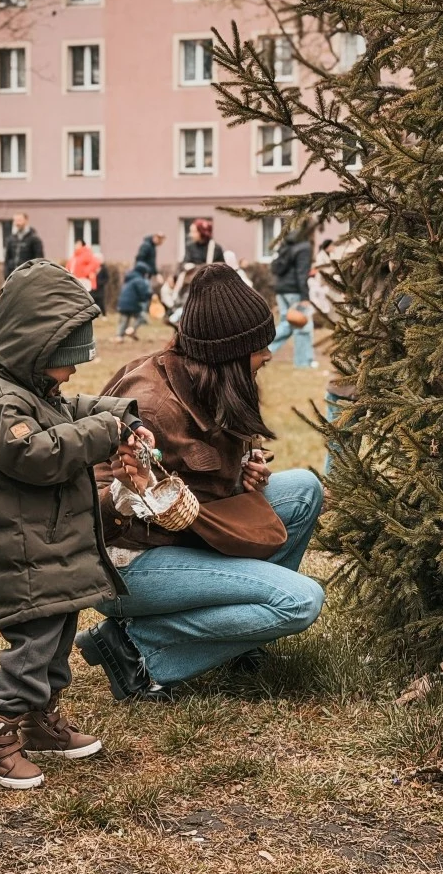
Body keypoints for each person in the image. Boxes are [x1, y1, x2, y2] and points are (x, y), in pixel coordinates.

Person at [75, 262, 325, 701]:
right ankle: (136, 649)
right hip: (126, 564)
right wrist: (132, 496)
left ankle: (237, 640)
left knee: (304, 489)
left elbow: (202, 478)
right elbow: (87, 506)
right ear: (229, 354)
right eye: (259, 348)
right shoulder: (151, 405)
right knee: (299, 601)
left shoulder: (208, 380)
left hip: (183, 537)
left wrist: (246, 469)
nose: (267, 355)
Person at [0, 259, 151, 790]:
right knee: (33, 648)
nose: (70, 375)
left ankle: (41, 720)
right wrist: (102, 432)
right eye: (63, 363)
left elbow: (74, 407)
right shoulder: (0, 404)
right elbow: (38, 452)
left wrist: (124, 417)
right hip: (24, 556)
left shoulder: (34, 391)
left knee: (59, 635)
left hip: (51, 551)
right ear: (33, 351)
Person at [269, 223, 317, 368]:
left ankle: (263, 350)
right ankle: (303, 362)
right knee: (302, 326)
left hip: (281, 290)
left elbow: (275, 268)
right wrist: (304, 297)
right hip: (295, 291)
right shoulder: (304, 247)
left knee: (287, 324)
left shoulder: (286, 245)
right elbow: (302, 274)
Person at [116, 261, 151, 343]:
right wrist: (146, 297)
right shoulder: (139, 280)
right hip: (132, 303)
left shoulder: (129, 278)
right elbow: (142, 293)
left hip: (122, 303)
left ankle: (119, 336)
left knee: (124, 320)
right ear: (143, 272)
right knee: (141, 317)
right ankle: (131, 330)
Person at [3, 212, 44, 279]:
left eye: (19, 220)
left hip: (28, 277)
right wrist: (6, 275)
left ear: (26, 220)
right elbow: (7, 259)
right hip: (12, 276)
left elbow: (39, 260)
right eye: (15, 221)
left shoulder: (34, 239)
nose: (17, 223)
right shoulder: (11, 239)